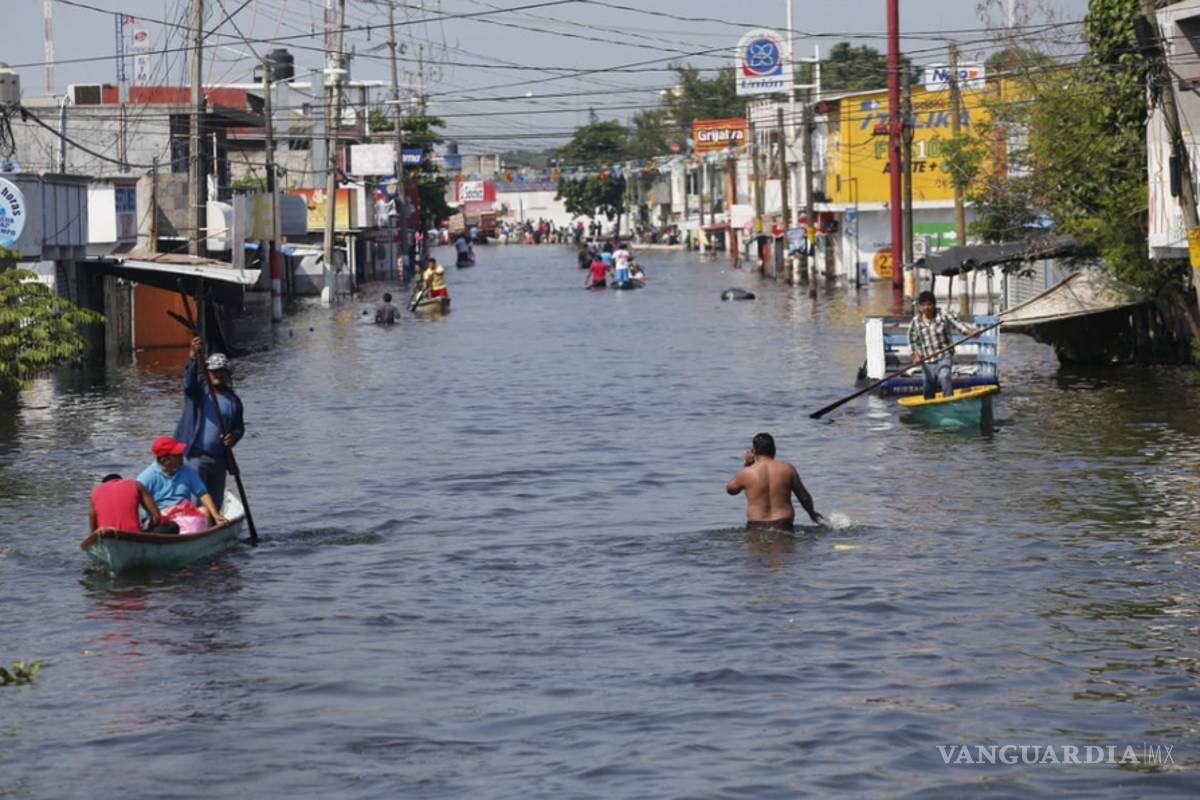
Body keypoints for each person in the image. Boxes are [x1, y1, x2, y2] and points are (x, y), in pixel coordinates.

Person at [175, 339, 245, 506]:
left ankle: (213, 525)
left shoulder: (234, 401)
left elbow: (239, 428)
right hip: (197, 456)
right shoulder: (199, 392)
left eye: (220, 371)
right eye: (213, 372)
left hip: (219, 459)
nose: (216, 375)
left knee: (216, 502)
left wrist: (233, 437)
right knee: (197, 500)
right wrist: (192, 356)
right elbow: (188, 384)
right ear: (207, 373)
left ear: (227, 374)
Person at [726, 433, 823, 532]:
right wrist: (812, 513)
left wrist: (747, 464)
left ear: (754, 451)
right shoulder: (787, 469)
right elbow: (804, 497)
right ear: (774, 450)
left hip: (756, 526)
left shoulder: (747, 472)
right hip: (784, 524)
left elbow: (731, 489)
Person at [138, 436, 227, 526]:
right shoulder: (146, 477)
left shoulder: (186, 470)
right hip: (161, 520)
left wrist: (215, 514)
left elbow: (203, 494)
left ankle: (205, 537)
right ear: (164, 460)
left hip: (184, 514)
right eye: (177, 454)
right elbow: (134, 501)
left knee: (204, 511)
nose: (182, 455)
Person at [907, 290, 979, 400]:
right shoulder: (915, 322)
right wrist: (915, 355)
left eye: (929, 304)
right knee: (927, 385)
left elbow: (958, 325)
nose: (927, 307)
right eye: (924, 305)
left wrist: (970, 332)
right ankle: (929, 409)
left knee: (944, 376)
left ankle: (949, 404)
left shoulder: (943, 315)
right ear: (920, 307)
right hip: (927, 360)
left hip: (944, 356)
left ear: (934, 305)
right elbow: (911, 340)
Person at [89, 473, 165, 533]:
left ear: (104, 484)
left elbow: (93, 529)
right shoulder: (136, 484)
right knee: (171, 526)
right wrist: (148, 531)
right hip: (133, 536)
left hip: (106, 535)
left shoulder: (95, 491)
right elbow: (156, 516)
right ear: (120, 480)